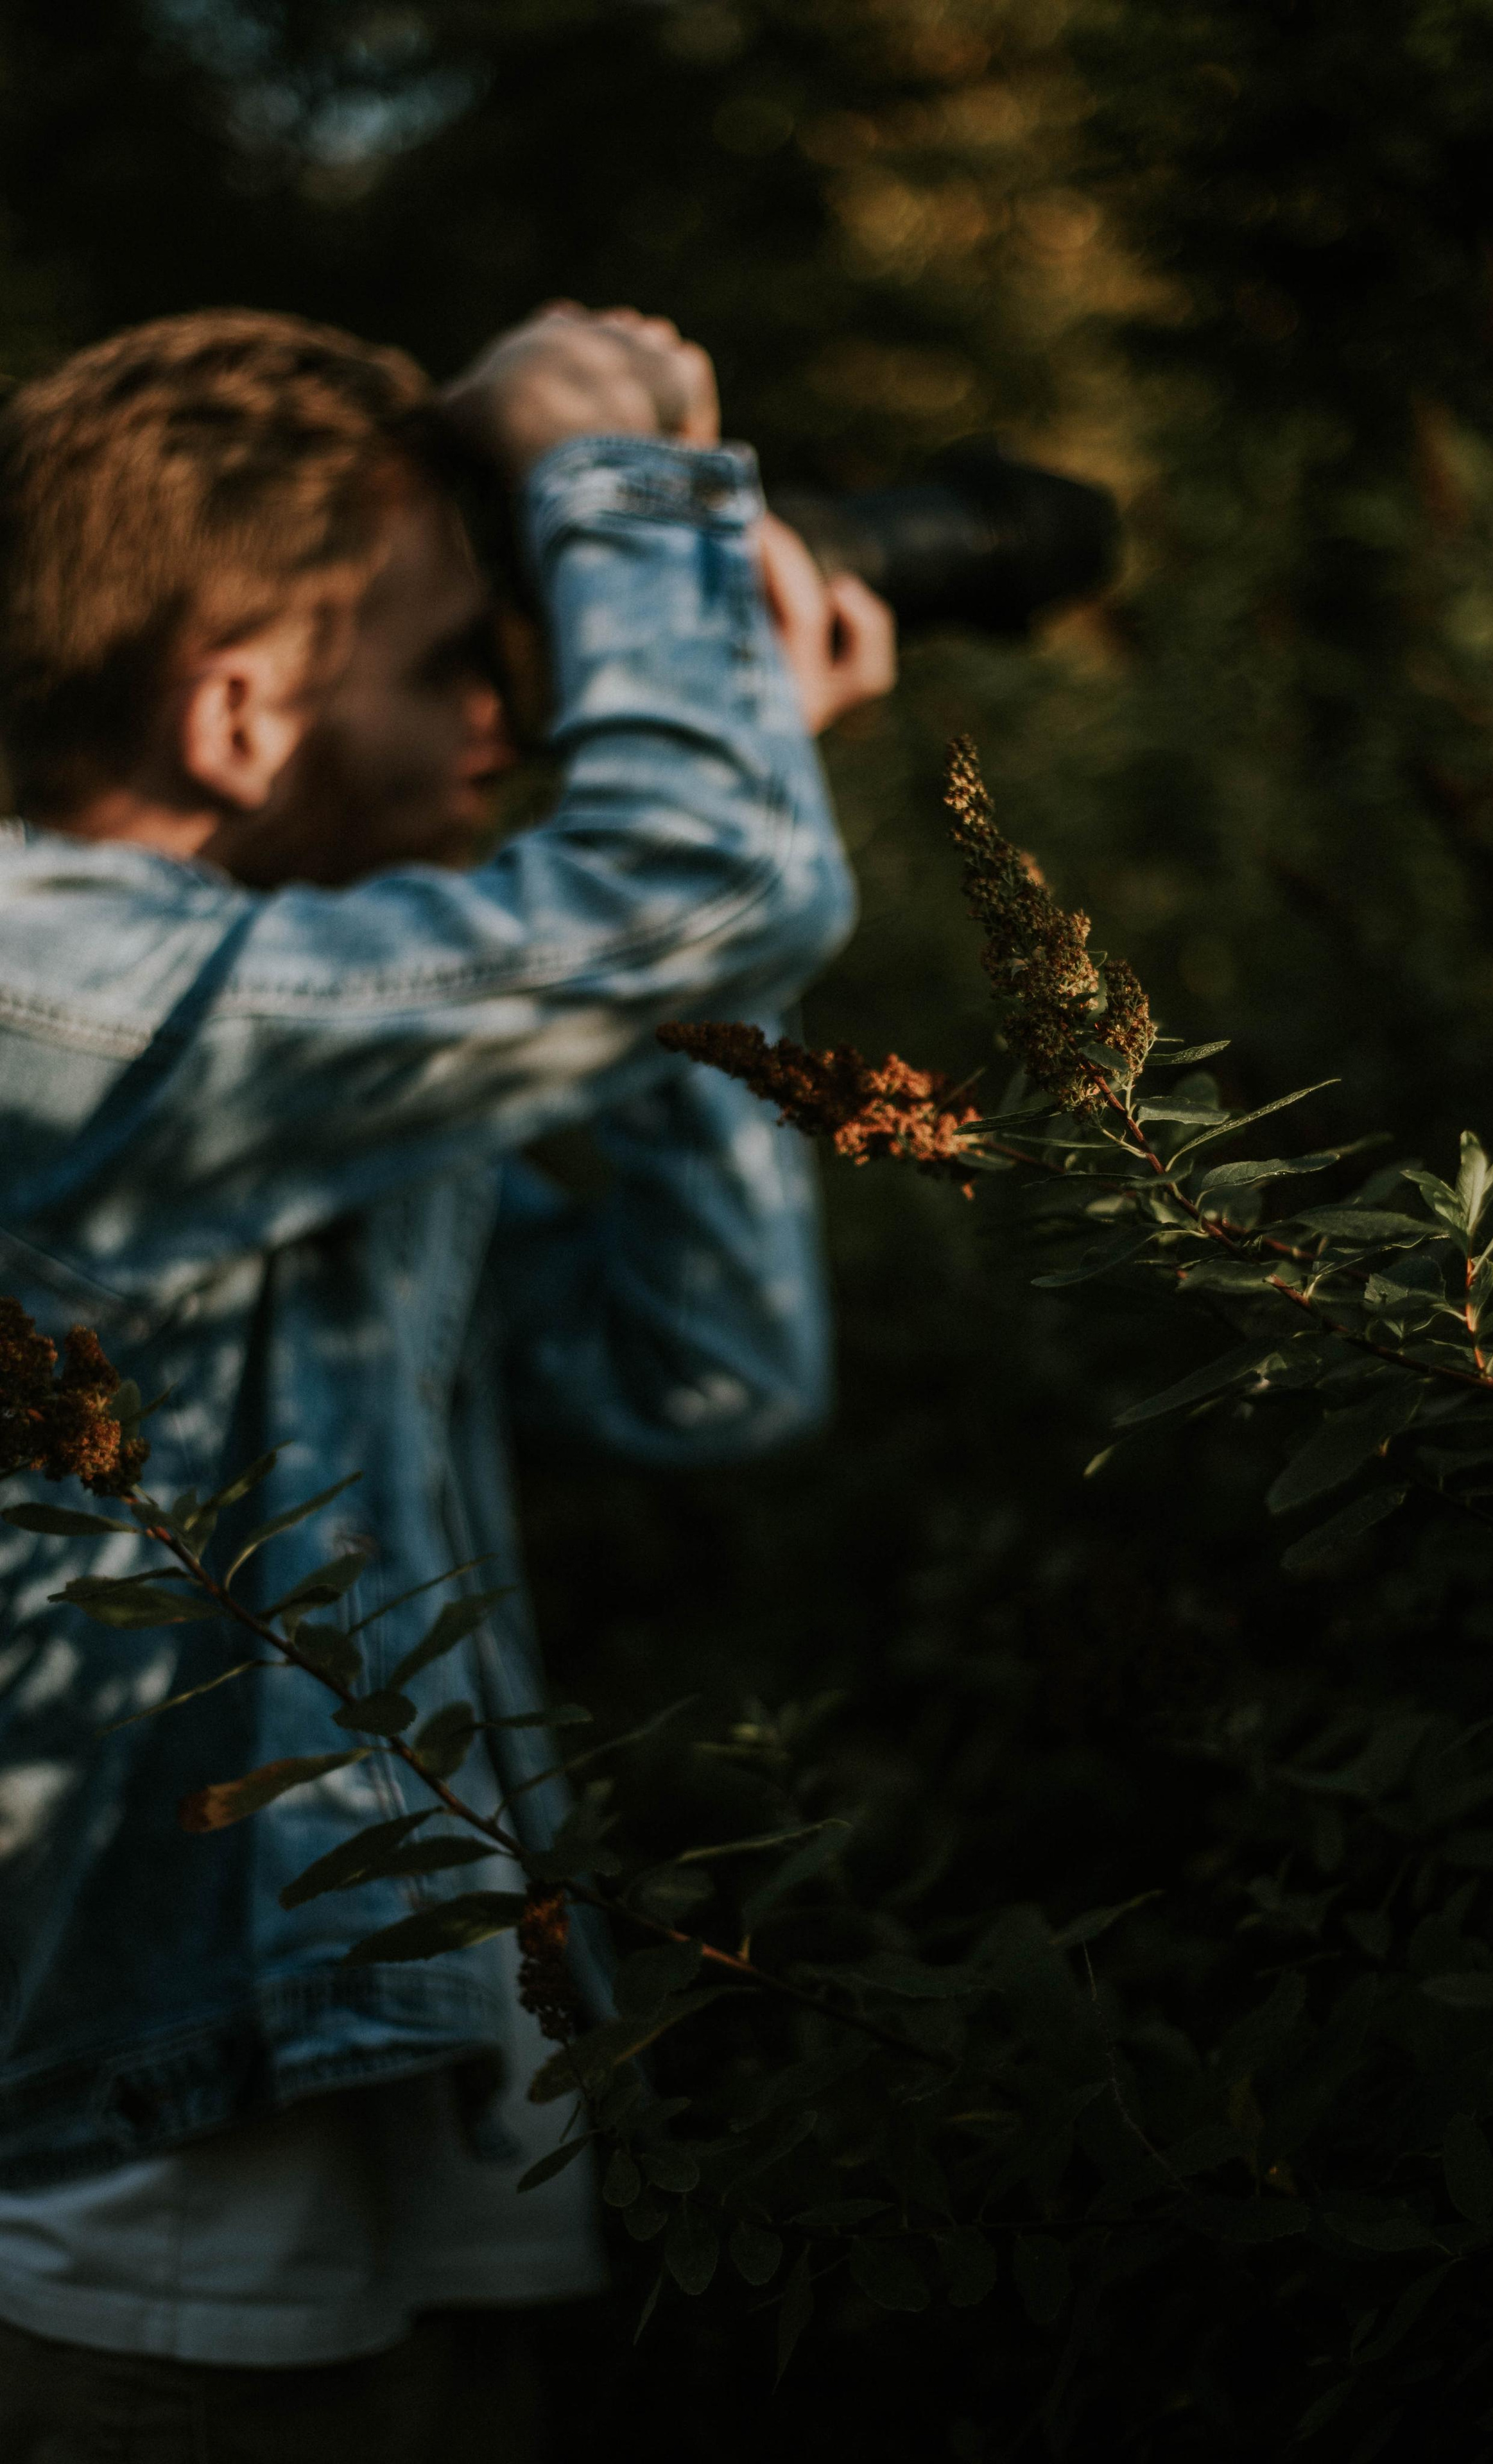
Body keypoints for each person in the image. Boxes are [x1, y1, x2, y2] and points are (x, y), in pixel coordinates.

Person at [0, 300, 893, 2458]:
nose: (512, 716)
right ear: (237, 711)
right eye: (449, 663)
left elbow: (705, 1377)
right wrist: (629, 504)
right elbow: (695, 881)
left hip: (407, 2144)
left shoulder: (300, 1008)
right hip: (114, 2215)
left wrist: (716, 875)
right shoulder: (53, 994)